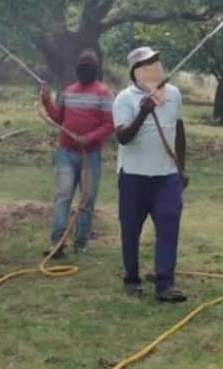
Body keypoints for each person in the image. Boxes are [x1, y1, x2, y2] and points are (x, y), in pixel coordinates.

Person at [112, 46, 189, 302]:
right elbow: (123, 138)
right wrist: (143, 111)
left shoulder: (174, 94)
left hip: (167, 177)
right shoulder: (124, 99)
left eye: (156, 61)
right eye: (147, 63)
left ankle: (165, 283)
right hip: (133, 177)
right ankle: (131, 278)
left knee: (169, 228)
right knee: (131, 230)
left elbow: (178, 131)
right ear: (135, 71)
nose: (154, 66)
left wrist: (181, 168)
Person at [40, 49, 114, 257]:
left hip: (90, 156)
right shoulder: (68, 91)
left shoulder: (104, 93)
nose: (84, 69)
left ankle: (80, 243)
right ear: (76, 69)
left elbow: (110, 125)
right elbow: (58, 117)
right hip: (65, 152)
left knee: (87, 200)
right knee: (63, 196)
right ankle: (57, 243)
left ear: (96, 70)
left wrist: (89, 138)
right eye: (81, 66)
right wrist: (47, 100)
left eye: (88, 66)